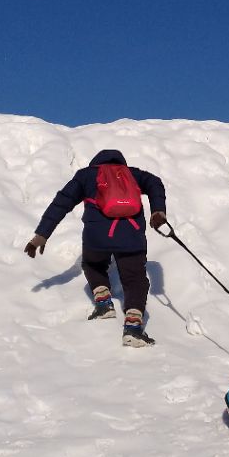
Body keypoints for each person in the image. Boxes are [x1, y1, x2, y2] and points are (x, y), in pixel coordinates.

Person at [25, 149, 167, 348]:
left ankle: (103, 304)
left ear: (96, 163)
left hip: (96, 237)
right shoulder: (132, 174)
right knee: (135, 279)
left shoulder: (86, 175)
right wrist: (158, 210)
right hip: (132, 236)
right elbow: (155, 183)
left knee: (92, 264)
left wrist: (41, 235)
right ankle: (133, 328)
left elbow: (61, 203)